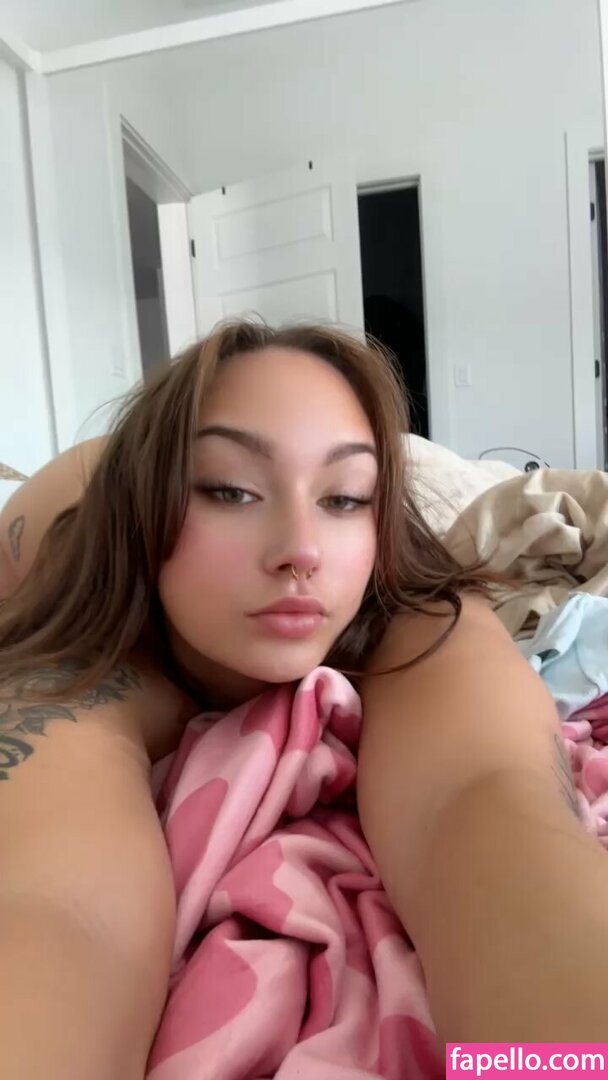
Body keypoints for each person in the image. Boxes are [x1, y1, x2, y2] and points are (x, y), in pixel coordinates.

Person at [0, 320, 607, 1079]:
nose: (301, 549)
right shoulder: (82, 624)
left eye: (345, 499)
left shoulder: (412, 608)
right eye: (229, 490)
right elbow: (58, 910)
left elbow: (484, 802)